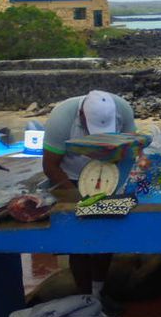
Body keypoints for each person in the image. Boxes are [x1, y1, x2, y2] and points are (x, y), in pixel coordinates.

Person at [42, 91, 136, 303]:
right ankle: (84, 296)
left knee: (106, 234)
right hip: (72, 178)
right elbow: (50, 166)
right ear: (82, 115)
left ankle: (99, 290)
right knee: (78, 240)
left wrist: (119, 185)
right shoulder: (61, 117)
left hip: (109, 176)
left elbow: (130, 153)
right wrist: (76, 196)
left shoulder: (123, 109)